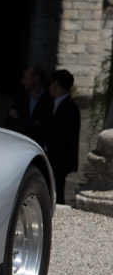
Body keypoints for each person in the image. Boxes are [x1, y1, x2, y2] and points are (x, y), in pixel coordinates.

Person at [47, 69, 81, 204]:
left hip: (60, 159)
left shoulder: (69, 107)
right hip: (56, 157)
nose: (49, 87)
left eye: (51, 83)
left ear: (56, 84)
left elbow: (67, 136)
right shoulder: (55, 104)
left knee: (57, 190)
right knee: (54, 188)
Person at [5, 66, 53, 146]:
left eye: (26, 78)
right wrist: (32, 123)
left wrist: (19, 122)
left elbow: (44, 129)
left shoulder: (49, 100)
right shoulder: (20, 97)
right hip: (19, 144)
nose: (23, 81)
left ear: (36, 79)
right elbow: (8, 121)